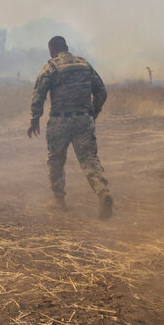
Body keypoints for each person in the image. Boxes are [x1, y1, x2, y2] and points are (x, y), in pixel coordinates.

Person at [27, 35, 114, 219]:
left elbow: (39, 94)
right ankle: (102, 192)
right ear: (67, 47)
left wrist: (35, 119)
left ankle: (59, 201)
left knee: (56, 161)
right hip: (83, 120)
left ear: (51, 50)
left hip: (60, 121)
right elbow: (102, 91)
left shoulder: (51, 67)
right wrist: (93, 112)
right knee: (89, 161)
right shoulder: (84, 64)